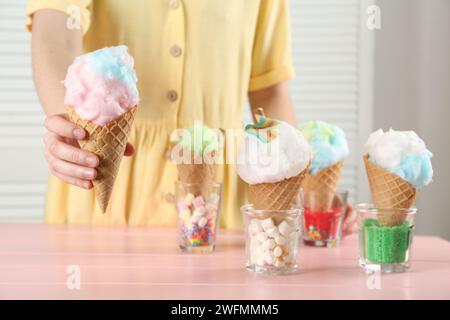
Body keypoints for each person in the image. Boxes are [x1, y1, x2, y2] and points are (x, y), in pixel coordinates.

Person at [27, 0, 357, 234]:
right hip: (100, 178)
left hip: (220, 193)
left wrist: (299, 192)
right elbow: (54, 32)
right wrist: (74, 125)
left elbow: (269, 90)